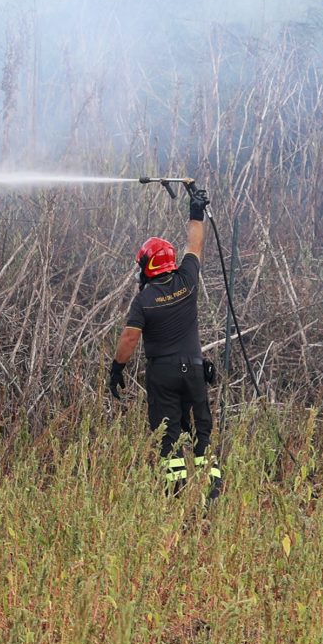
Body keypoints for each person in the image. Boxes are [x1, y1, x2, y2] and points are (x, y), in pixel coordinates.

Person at [107, 184, 222, 495]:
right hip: (195, 371)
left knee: (168, 436)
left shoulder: (144, 300)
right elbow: (194, 244)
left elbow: (130, 338)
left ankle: (176, 495)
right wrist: (195, 210)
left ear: (148, 266)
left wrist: (117, 369)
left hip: (163, 374)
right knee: (202, 432)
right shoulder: (187, 280)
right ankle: (211, 496)